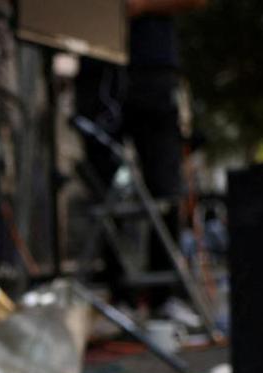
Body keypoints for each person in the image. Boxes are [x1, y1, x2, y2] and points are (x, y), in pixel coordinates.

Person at [74, 0, 207, 308]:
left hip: (151, 69)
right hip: (96, 67)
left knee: (163, 187)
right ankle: (120, 295)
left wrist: (140, 5)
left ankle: (166, 297)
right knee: (101, 187)